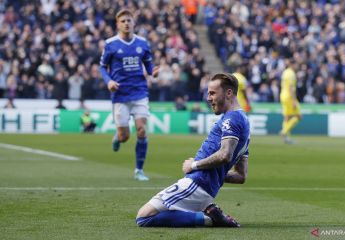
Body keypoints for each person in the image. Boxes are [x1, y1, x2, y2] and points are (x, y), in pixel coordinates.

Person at [136, 73, 250, 227]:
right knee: (157, 213)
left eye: (212, 93)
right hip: (205, 188)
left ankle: (211, 219)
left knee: (144, 217)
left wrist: (194, 165)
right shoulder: (244, 123)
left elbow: (225, 155)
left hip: (197, 183)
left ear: (229, 93)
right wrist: (216, 176)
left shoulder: (232, 119)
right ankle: (209, 213)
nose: (208, 98)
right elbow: (240, 176)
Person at [99, 9, 158, 181]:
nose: (126, 23)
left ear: (134, 23)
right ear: (118, 24)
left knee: (141, 130)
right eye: (123, 21)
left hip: (140, 92)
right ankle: (118, 137)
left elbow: (148, 66)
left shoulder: (143, 43)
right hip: (120, 95)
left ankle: (139, 170)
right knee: (125, 137)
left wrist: (153, 72)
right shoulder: (110, 44)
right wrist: (108, 81)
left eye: (129, 20)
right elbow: (102, 67)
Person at [279, 59, 302, 144]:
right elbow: (291, 88)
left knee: (287, 117)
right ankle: (284, 132)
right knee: (299, 116)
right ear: (293, 65)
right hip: (289, 96)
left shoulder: (285, 72)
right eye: (296, 65)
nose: (297, 66)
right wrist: (294, 100)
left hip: (283, 95)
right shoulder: (291, 74)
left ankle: (286, 138)